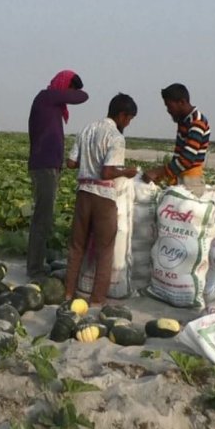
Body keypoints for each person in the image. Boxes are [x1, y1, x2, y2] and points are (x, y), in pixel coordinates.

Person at [64, 93, 139, 306]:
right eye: (129, 118)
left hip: (83, 194)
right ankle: (97, 300)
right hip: (103, 198)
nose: (128, 123)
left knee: (77, 246)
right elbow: (107, 173)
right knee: (105, 249)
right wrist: (127, 171)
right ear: (122, 115)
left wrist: (88, 165)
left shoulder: (87, 129)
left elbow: (70, 163)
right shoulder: (116, 136)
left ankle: (68, 293)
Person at [26, 70, 89, 278]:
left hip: (49, 166)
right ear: (64, 85)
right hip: (43, 166)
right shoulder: (47, 96)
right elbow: (82, 97)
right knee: (41, 218)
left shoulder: (52, 103)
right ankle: (34, 268)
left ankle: (38, 263)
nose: (70, 96)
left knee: (45, 216)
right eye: (70, 89)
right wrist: (75, 92)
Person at [143, 83, 210, 196]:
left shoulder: (196, 122)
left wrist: (158, 171)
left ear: (182, 102)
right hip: (181, 177)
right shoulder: (184, 121)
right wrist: (163, 174)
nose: (168, 110)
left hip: (191, 182)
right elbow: (179, 156)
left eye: (169, 106)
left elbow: (187, 159)